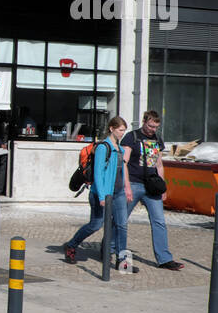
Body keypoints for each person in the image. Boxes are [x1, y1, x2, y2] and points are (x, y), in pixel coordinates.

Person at [121, 110, 184, 271]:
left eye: (156, 127)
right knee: (121, 221)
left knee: (159, 221)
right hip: (134, 183)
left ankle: (164, 259)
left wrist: (163, 187)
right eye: (150, 126)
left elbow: (159, 165)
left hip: (152, 185)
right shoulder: (131, 137)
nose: (152, 130)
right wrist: (126, 186)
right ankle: (109, 249)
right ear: (144, 121)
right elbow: (124, 162)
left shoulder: (157, 139)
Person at [63, 116, 131, 264]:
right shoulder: (103, 147)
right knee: (95, 224)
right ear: (112, 129)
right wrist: (101, 196)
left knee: (122, 226)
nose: (122, 133)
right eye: (120, 130)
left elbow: (121, 171)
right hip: (102, 194)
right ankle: (71, 245)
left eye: (124, 131)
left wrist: (127, 188)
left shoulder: (120, 149)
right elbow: (98, 174)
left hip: (118, 193)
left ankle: (123, 259)